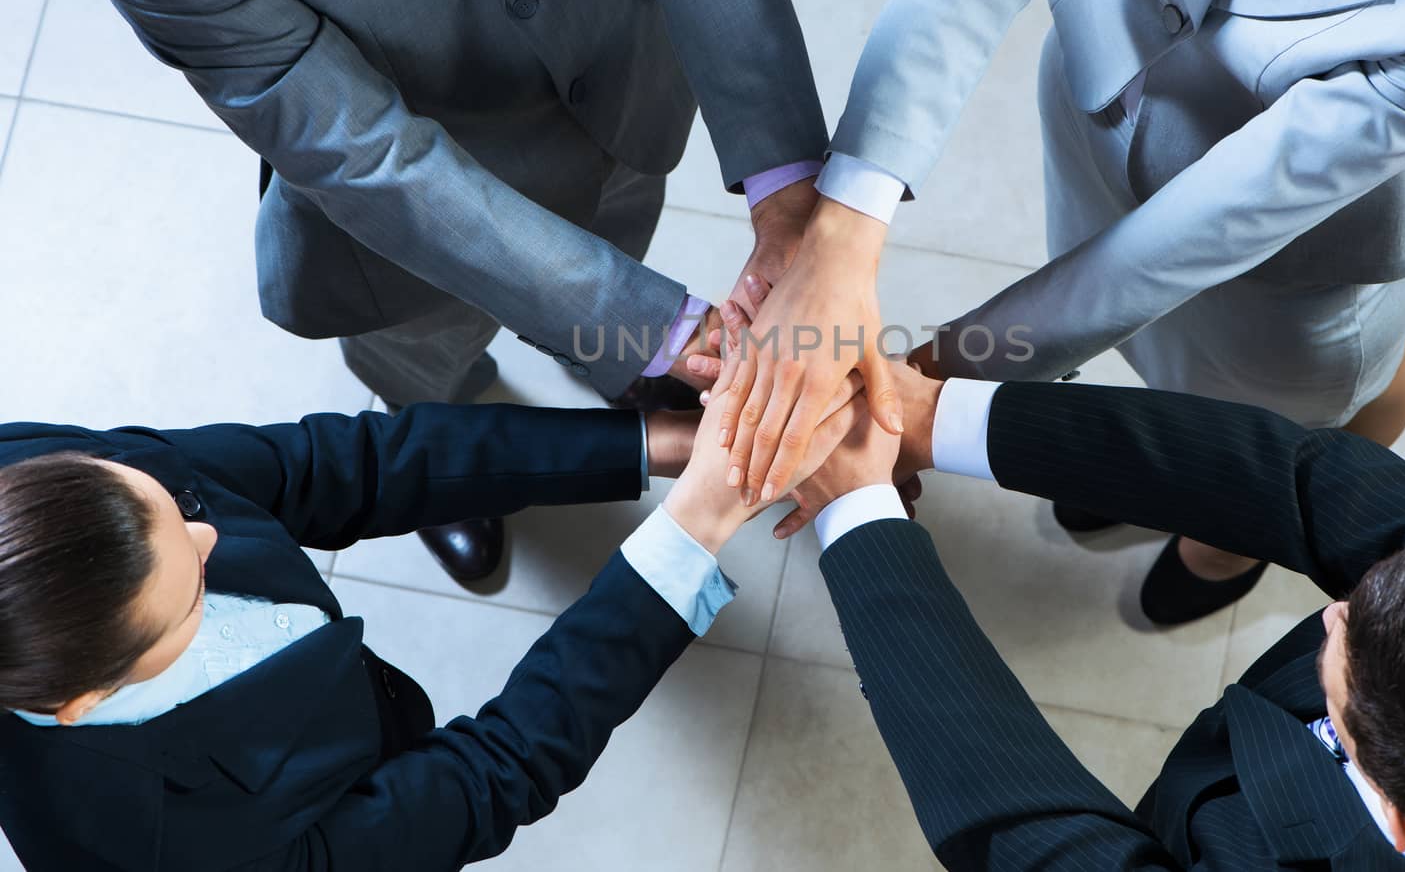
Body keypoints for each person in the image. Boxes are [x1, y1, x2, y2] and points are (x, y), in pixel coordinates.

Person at [711, 0, 1405, 622]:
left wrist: (938, 377)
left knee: (1285, 417)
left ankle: (1222, 552)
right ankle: (1124, 458)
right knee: (1126, 350)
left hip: (1281, 256)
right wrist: (842, 230)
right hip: (1099, 102)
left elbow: (1235, 207)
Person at [24, 0, 831, 584]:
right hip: (412, 225)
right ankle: (452, 463)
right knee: (423, 364)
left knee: (624, 237)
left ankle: (618, 368)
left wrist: (785, 182)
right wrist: (654, 322)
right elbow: (351, 144)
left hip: (617, 81)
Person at [0, 351, 855, 871]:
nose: (209, 534)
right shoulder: (190, 846)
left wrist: (662, 445)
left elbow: (338, 467)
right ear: (77, 704)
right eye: (187, 590)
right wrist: (698, 525)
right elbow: (494, 772)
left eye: (171, 504)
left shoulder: (35, 478)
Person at [781, 362, 1405, 871]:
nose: (1335, 612)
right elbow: (1296, 481)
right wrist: (932, 419)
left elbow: (1033, 829)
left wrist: (861, 519)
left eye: (1348, 671)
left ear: (1399, 824)